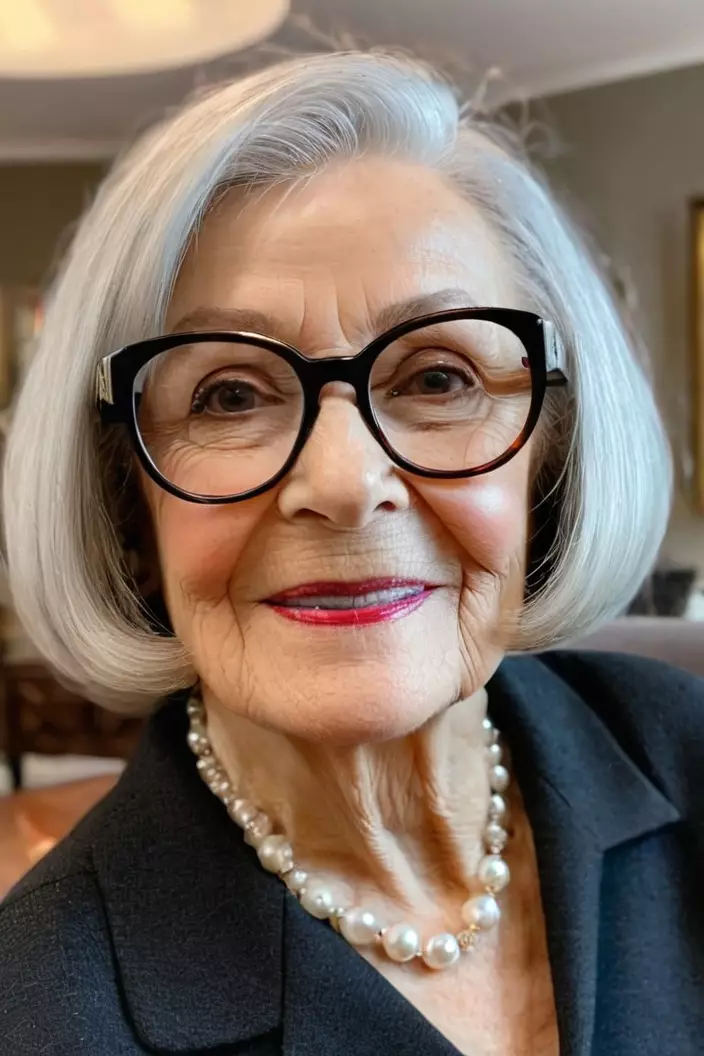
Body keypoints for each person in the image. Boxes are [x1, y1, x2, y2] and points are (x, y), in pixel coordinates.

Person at [1, 51, 702, 1056]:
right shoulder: (40, 1015)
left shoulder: (684, 745)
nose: (339, 482)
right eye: (227, 395)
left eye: (436, 377)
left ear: (552, 451)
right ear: (126, 496)